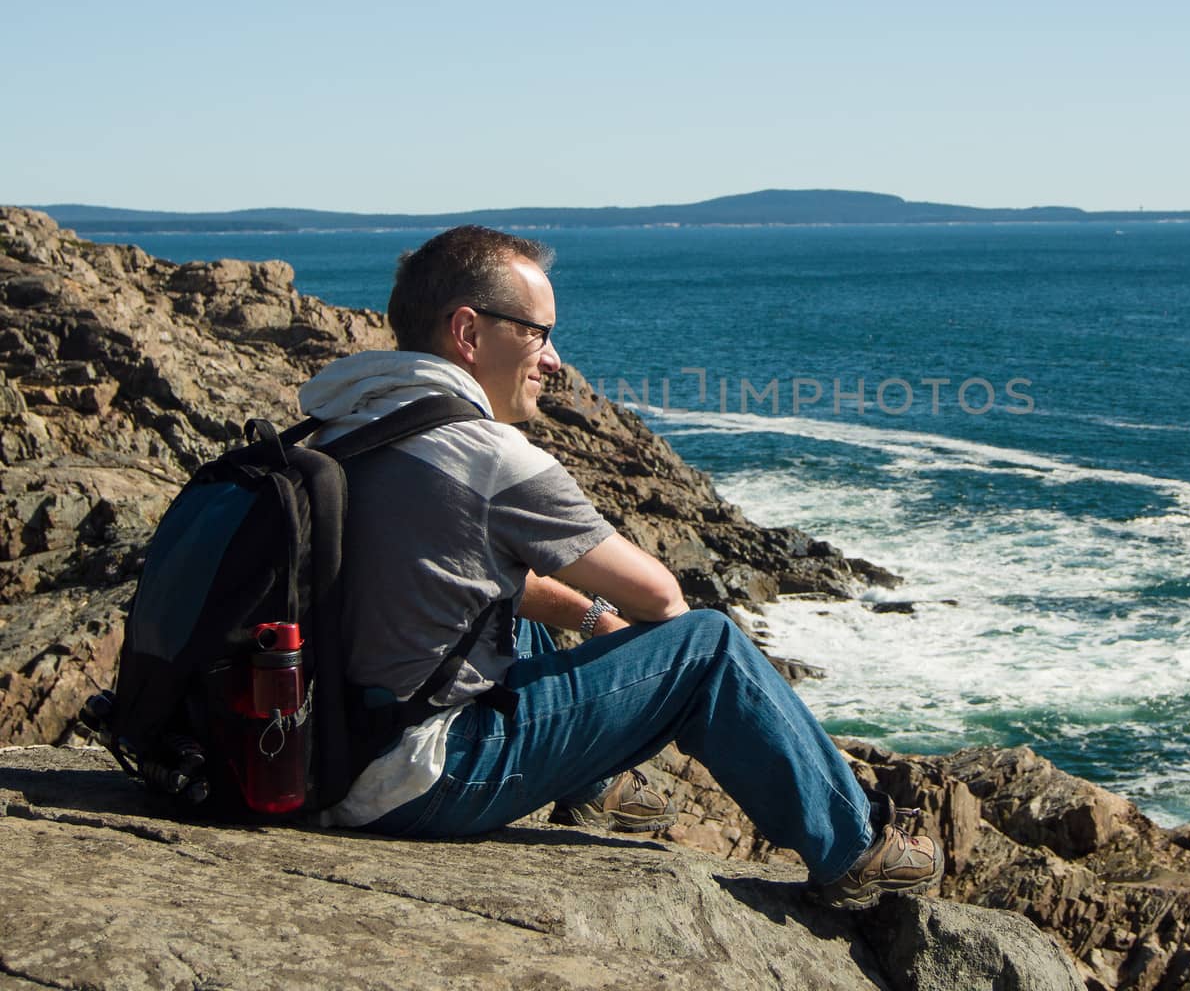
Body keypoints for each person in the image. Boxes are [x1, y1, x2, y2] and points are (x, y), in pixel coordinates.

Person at [298, 224, 943, 908]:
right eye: (538, 332)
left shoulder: (350, 422)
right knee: (709, 646)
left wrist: (588, 614)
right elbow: (662, 600)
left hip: (331, 748)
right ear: (468, 331)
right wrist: (626, 633)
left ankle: (592, 785)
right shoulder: (483, 455)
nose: (552, 360)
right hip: (415, 778)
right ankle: (855, 846)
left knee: (509, 614)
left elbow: (458, 585)